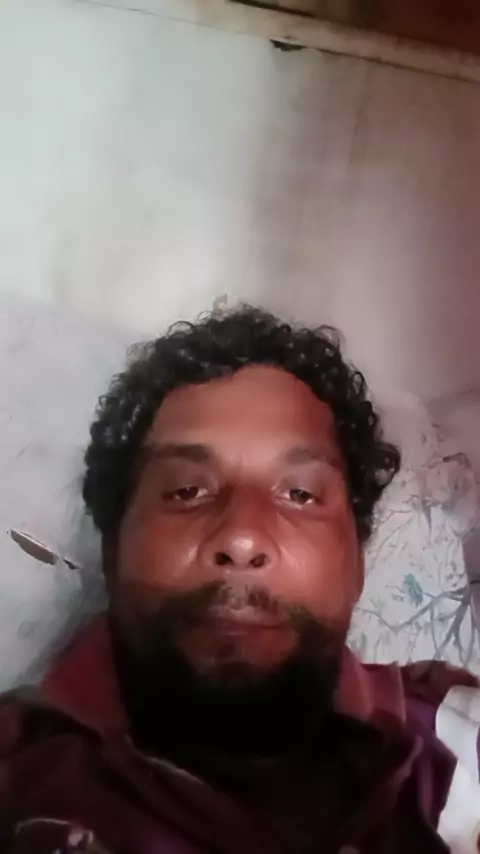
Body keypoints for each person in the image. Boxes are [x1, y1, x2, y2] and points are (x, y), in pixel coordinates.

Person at [1, 307, 479, 854]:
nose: (243, 536)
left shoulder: (452, 738)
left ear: (357, 564)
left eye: (300, 494)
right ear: (113, 550)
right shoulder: (19, 775)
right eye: (187, 491)